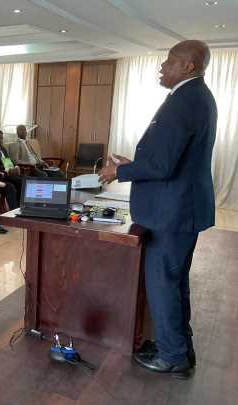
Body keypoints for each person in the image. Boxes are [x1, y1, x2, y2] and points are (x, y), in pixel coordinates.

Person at [99, 40, 217, 379]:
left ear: (188, 66)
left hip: (171, 212)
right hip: (180, 208)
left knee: (163, 284)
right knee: (175, 282)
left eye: (169, 61)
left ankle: (172, 357)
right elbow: (170, 157)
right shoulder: (197, 96)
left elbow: (163, 165)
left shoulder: (184, 100)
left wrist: (118, 172)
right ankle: (178, 347)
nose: (162, 67)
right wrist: (134, 164)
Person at [0, 129, 23, 202]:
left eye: (1, 138)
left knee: (25, 179)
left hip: (9, 173)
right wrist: (8, 170)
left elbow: (8, 161)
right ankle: (18, 205)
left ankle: (22, 203)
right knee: (19, 182)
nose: (0, 140)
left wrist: (15, 167)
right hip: (0, 175)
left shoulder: (2, 148)